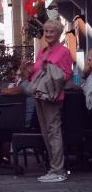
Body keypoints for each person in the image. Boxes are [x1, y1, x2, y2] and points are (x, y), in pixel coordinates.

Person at [31, 19, 73, 183]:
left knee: (53, 131)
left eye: (51, 31)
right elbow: (36, 73)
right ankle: (53, 168)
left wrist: (50, 70)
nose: (47, 34)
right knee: (46, 131)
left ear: (59, 34)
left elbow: (67, 74)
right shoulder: (43, 51)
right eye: (46, 31)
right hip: (39, 95)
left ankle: (58, 170)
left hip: (52, 97)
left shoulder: (64, 52)